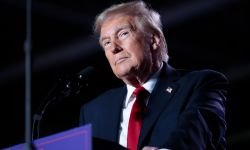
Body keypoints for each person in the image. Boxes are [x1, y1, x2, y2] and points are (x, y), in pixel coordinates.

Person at [79, 1, 228, 150]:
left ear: (154, 39)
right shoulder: (93, 111)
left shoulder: (199, 84)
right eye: (106, 43)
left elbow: (196, 132)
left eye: (123, 34)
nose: (114, 48)